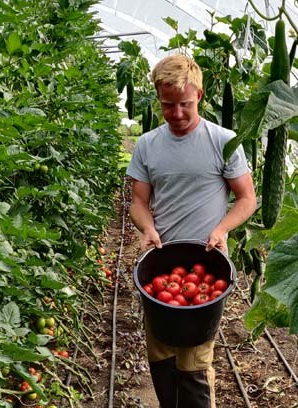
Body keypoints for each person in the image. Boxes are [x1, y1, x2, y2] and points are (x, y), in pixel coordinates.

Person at [126, 54, 256, 407]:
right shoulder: (148, 145)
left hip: (207, 263)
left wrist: (222, 229)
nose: (177, 113)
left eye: (184, 104)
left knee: (195, 364)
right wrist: (147, 229)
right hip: (161, 263)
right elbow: (137, 202)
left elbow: (247, 199)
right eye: (168, 105)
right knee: (162, 357)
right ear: (158, 98)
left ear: (199, 95)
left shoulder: (223, 141)